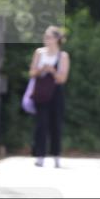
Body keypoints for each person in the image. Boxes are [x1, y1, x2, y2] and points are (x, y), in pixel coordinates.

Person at [29, 26, 70, 168]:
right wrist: (41, 69)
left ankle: (56, 155)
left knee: (55, 124)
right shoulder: (39, 53)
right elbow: (32, 72)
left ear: (57, 39)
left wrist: (52, 70)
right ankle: (39, 155)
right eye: (45, 37)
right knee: (41, 124)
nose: (46, 40)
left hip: (55, 92)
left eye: (49, 37)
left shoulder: (62, 56)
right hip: (41, 92)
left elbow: (62, 79)